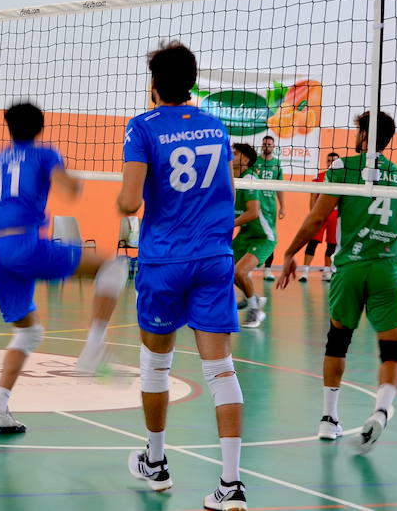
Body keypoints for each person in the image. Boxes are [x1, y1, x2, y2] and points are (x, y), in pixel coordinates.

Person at [0, 102, 126, 437]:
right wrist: (74, 182)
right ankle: (94, 348)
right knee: (113, 267)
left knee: (28, 332)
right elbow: (69, 188)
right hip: (24, 245)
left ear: (8, 127)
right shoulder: (45, 154)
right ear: (40, 128)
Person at [117, 43, 247, 509]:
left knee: (156, 365)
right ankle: (231, 485)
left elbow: (131, 203)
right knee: (220, 369)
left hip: (165, 260)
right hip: (214, 255)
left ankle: (156, 461)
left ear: (154, 83)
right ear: (191, 82)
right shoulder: (216, 125)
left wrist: (121, 201)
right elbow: (225, 189)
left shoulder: (142, 127)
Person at [278, 110, 397, 454]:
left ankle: (328, 419)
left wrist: (291, 253)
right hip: (388, 267)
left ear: (364, 137)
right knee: (393, 350)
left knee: (337, 341)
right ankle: (382, 409)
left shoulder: (342, 168)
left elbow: (316, 218)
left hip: (350, 266)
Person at [230, 144, 272, 329]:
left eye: (236, 153)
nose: (231, 155)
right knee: (224, 269)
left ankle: (255, 310)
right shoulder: (233, 179)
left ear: (246, 160)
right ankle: (251, 297)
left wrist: (227, 224)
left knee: (239, 272)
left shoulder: (250, 178)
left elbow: (253, 213)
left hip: (263, 236)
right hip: (246, 234)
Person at [297, 152, 341, 283]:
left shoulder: (343, 177)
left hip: (335, 213)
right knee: (313, 241)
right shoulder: (320, 176)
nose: (331, 163)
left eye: (333, 160)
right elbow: (313, 196)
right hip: (320, 213)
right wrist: (313, 213)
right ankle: (305, 271)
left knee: (332, 244)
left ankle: (327, 271)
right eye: (329, 160)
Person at [254, 135, 286, 282]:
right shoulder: (255, 162)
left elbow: (280, 188)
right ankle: (247, 267)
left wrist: (283, 207)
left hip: (270, 207)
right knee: (251, 234)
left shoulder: (277, 164)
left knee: (270, 236)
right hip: (254, 204)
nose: (267, 146)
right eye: (265, 144)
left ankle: (267, 269)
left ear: (273, 147)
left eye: (269, 144)